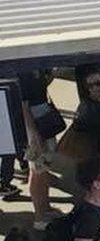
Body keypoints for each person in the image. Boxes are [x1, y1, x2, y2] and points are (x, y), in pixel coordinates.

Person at [17, 71, 63, 231]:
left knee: (43, 169)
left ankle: (46, 208)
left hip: (43, 119)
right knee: (37, 170)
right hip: (36, 124)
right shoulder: (21, 71)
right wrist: (33, 134)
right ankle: (39, 216)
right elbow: (23, 105)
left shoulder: (34, 65)